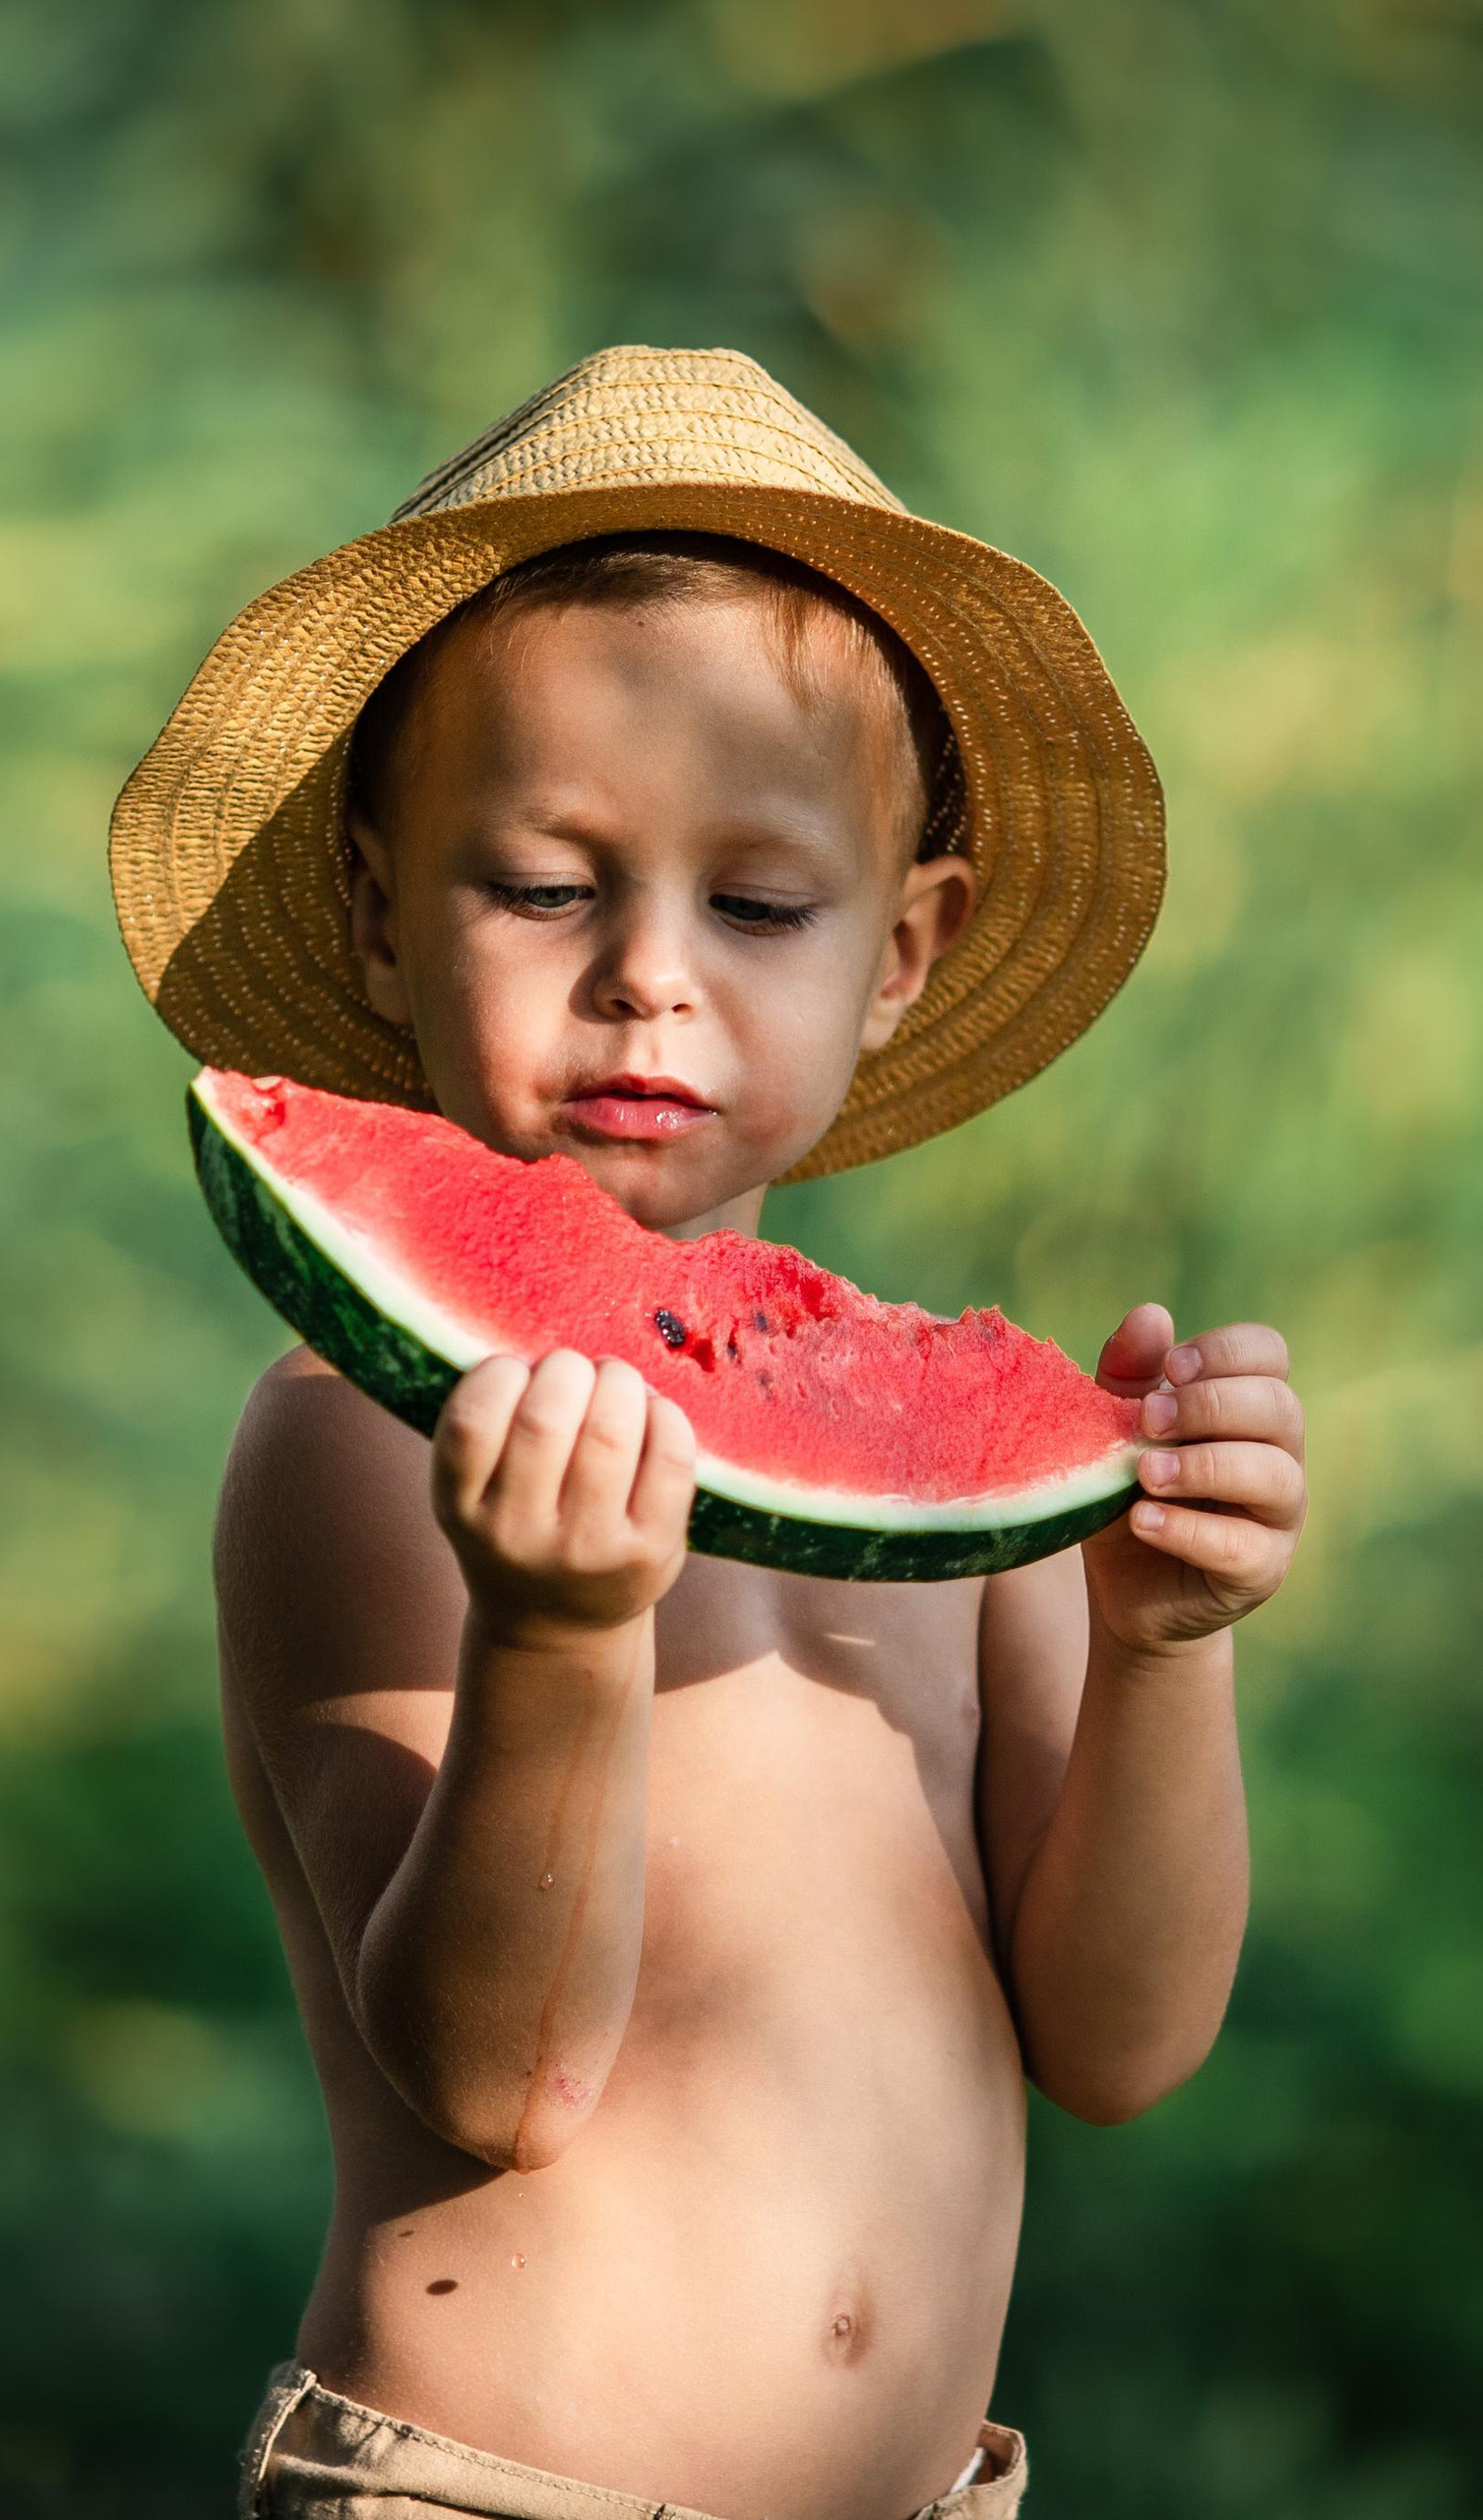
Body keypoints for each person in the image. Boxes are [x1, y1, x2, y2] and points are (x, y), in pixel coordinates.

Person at [108, 346, 1308, 2520]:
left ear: (901, 949)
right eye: (546, 886)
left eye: (755, 905)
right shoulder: (355, 1445)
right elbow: (498, 2074)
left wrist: (1159, 1642)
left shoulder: (972, 1492)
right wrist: (554, 1633)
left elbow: (1119, 2044)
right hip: (490, 2492)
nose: (649, 976)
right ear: (382, 912)